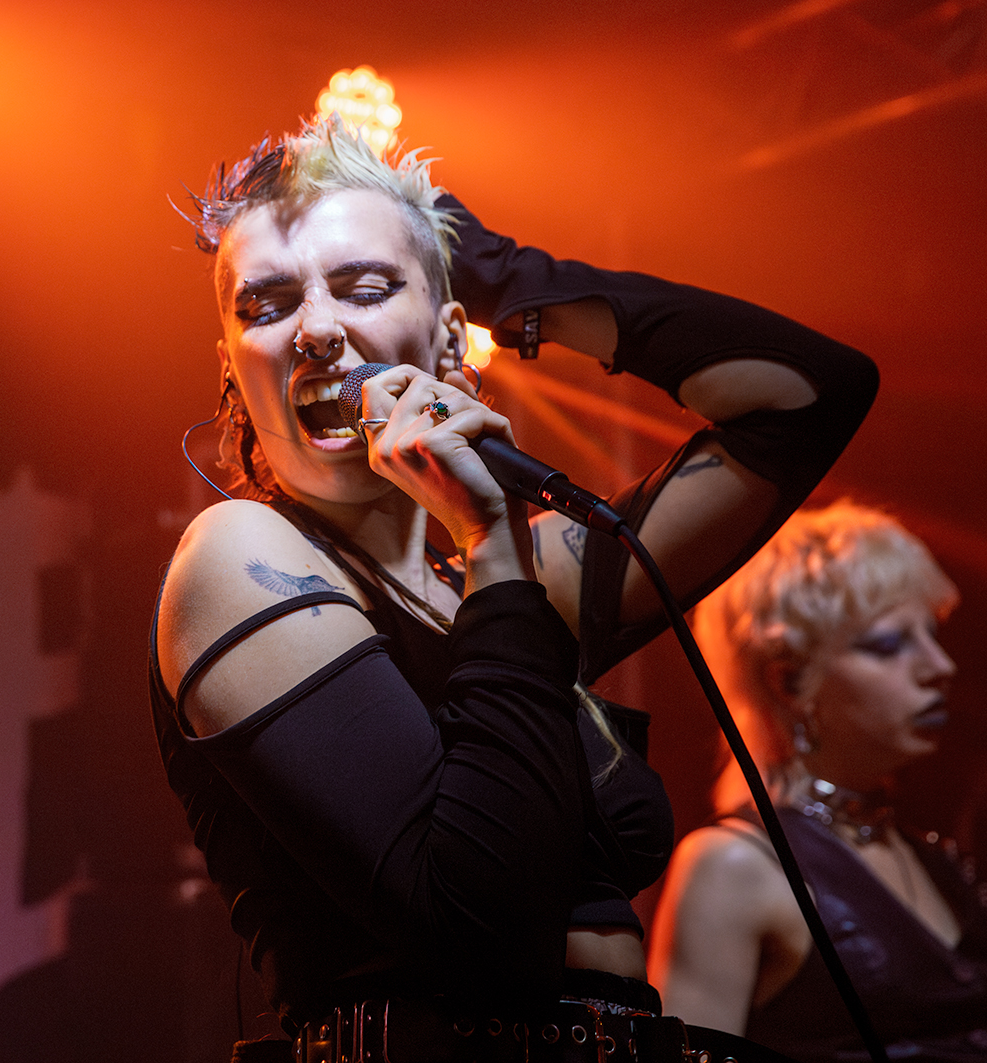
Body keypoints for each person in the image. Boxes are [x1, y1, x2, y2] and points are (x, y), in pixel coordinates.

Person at [149, 115, 878, 1063]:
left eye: (366, 289)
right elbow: (485, 930)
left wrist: (506, 279)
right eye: (266, 305)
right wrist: (492, 536)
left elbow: (810, 396)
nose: (320, 330)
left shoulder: (507, 584)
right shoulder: (242, 557)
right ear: (231, 367)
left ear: (451, 337)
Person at [647, 502, 987, 1062]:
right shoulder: (733, 866)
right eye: (888, 644)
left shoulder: (928, 853)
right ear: (789, 681)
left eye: (931, 634)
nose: (940, 666)